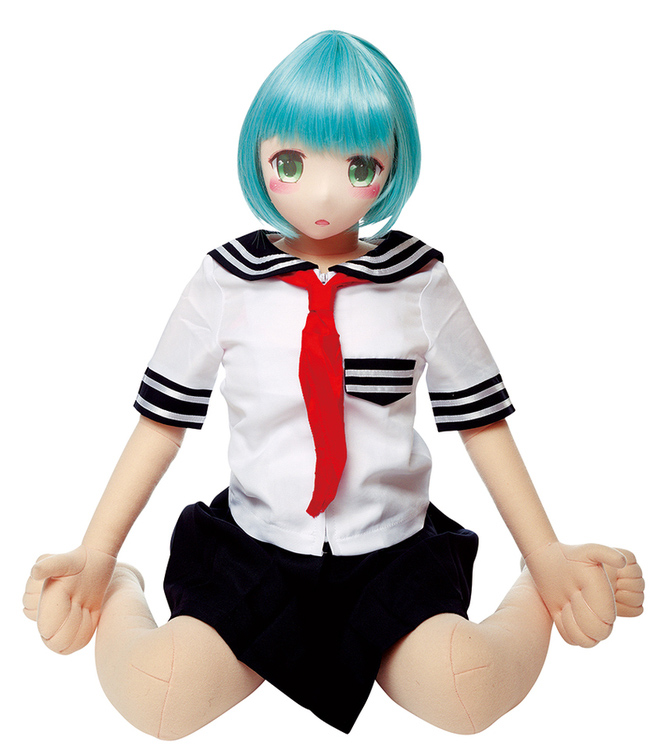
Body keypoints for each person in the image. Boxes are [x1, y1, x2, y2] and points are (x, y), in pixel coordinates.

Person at [23, 30, 644, 739]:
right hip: (256, 548)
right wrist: (98, 553)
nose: (323, 193)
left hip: (390, 553)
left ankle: (537, 589)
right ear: (257, 155)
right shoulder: (225, 279)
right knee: (160, 698)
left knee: (465, 692)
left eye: (358, 165)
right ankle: (121, 586)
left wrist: (546, 555)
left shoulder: (419, 279)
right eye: (291, 163)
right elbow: (162, 424)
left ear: (393, 164)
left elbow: (481, 424)